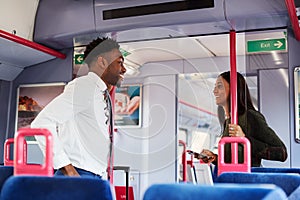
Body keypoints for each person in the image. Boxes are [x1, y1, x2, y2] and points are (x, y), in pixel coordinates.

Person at [31, 37, 126, 178]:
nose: (124, 69)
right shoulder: (84, 87)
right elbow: (41, 124)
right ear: (102, 62)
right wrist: (68, 170)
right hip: (80, 174)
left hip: (93, 175)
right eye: (119, 63)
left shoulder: (98, 92)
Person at [194, 71, 287, 167]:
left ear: (234, 90)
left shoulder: (250, 117)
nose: (214, 91)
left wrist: (244, 138)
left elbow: (282, 153)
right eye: (215, 87)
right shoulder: (228, 121)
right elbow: (232, 162)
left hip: (248, 178)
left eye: (220, 86)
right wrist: (215, 158)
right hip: (231, 178)